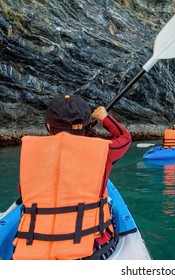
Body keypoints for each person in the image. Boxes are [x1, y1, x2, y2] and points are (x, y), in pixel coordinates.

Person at [12, 94, 132, 260]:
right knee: (109, 207)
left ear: (48, 126)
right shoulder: (103, 151)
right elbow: (125, 139)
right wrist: (105, 118)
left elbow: (23, 190)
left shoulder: (32, 152)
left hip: (32, 256)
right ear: (87, 125)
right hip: (91, 252)